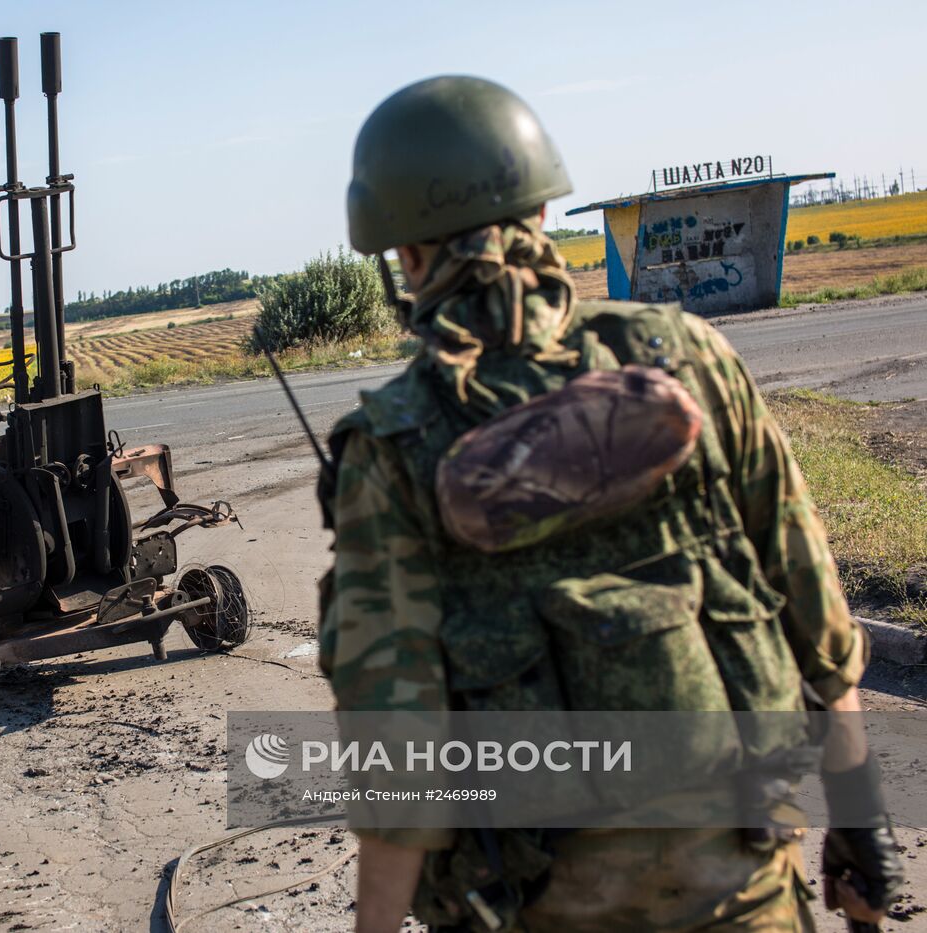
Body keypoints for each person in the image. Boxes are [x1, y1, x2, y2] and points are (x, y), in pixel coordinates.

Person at [317, 76, 905, 932]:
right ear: (544, 215)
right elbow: (815, 619)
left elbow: (399, 756)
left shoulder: (392, 449)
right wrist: (858, 818)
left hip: (537, 904)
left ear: (402, 256)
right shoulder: (690, 359)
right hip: (742, 878)